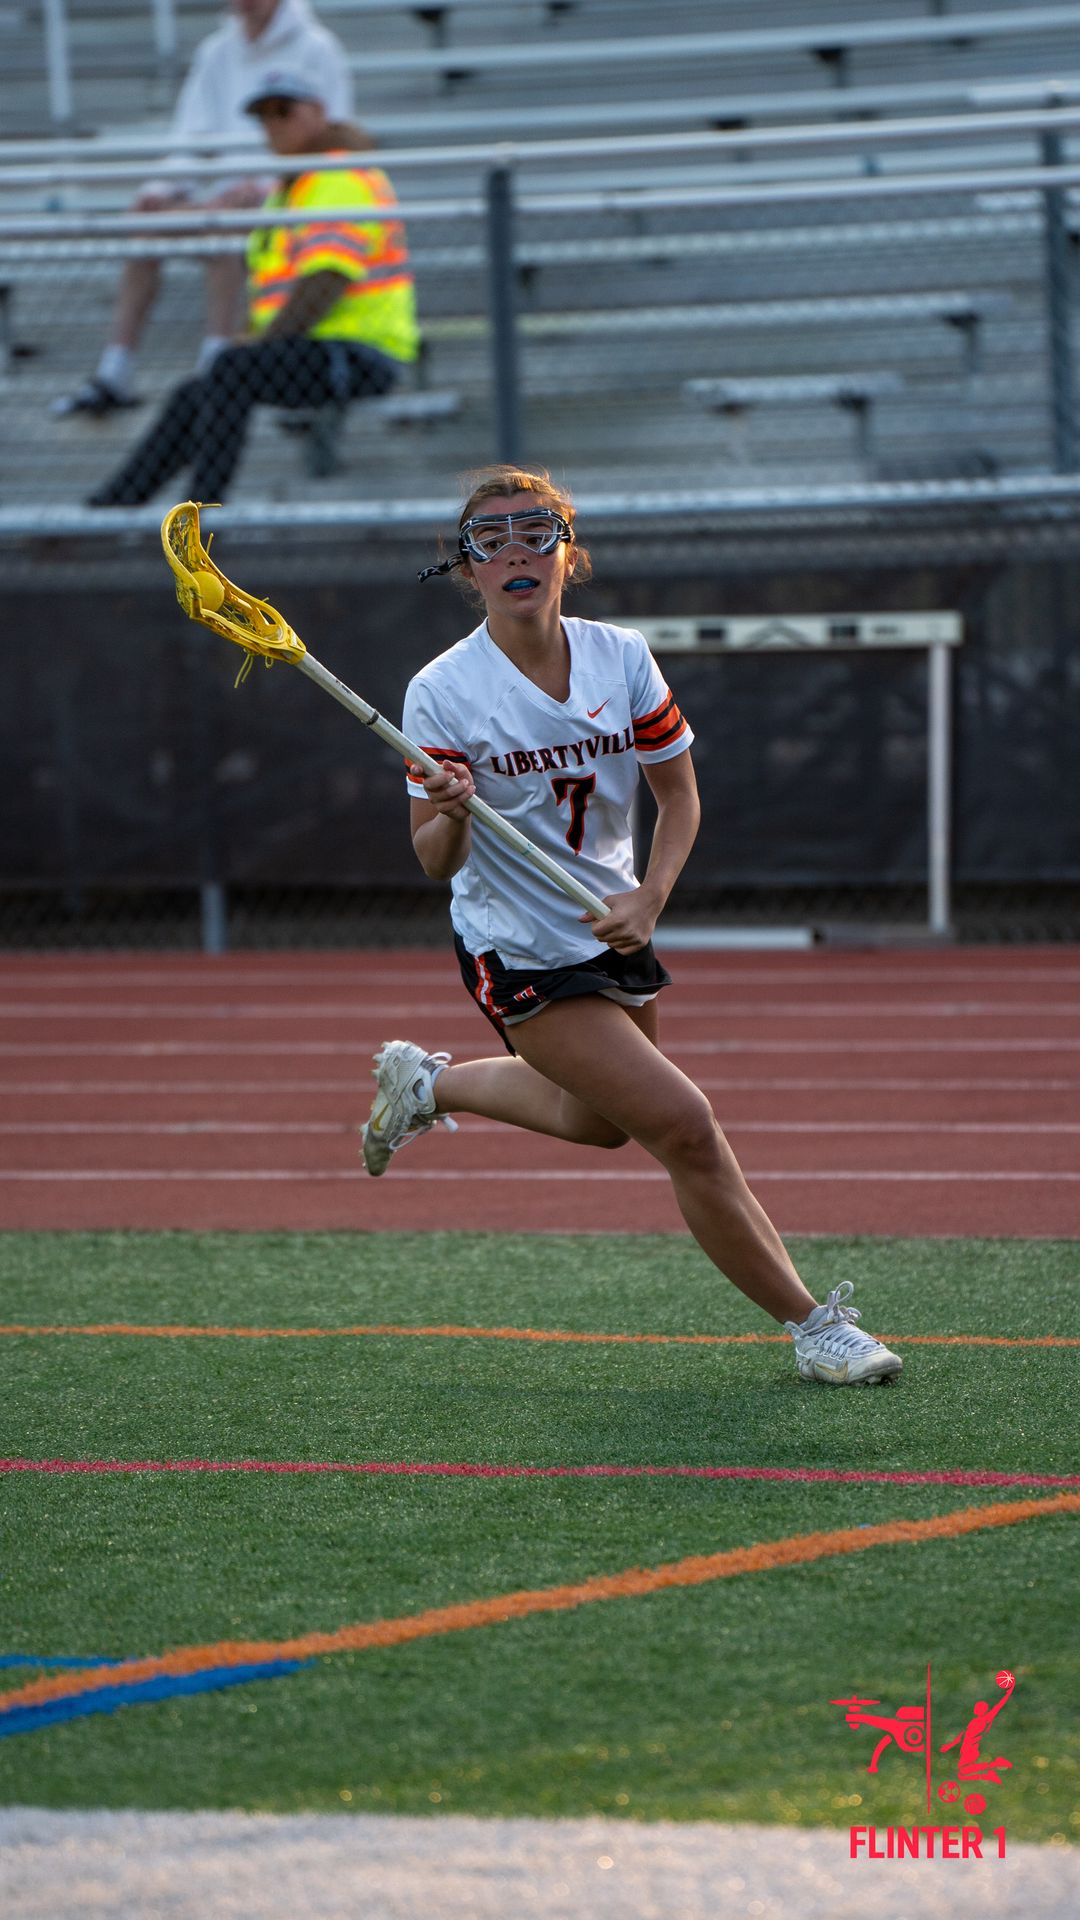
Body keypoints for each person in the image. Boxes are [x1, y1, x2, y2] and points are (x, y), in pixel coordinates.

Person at [358, 465, 904, 1389]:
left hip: (614, 925)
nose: (516, 552)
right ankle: (816, 1327)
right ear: (467, 566)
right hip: (518, 947)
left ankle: (428, 1086)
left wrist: (650, 897)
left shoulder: (621, 657)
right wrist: (451, 810)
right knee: (685, 1126)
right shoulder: (442, 690)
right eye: (490, 539)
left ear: (568, 552)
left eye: (536, 532)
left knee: (601, 1123)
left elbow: (678, 795)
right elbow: (433, 861)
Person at [86, 73, 418, 506]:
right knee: (194, 392)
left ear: (318, 112)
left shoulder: (334, 176)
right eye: (264, 116)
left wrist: (262, 342)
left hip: (360, 353)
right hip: (320, 348)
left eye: (284, 111)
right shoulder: (296, 185)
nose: (273, 125)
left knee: (230, 369)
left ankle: (204, 514)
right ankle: (113, 507)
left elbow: (327, 279)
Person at [52, 0, 353, 417]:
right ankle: (115, 370)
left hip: (287, 200)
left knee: (221, 230)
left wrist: (267, 187)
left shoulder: (318, 48)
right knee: (145, 223)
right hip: (225, 201)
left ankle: (216, 369)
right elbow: (192, 139)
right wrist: (161, 190)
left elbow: (333, 139)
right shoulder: (217, 51)